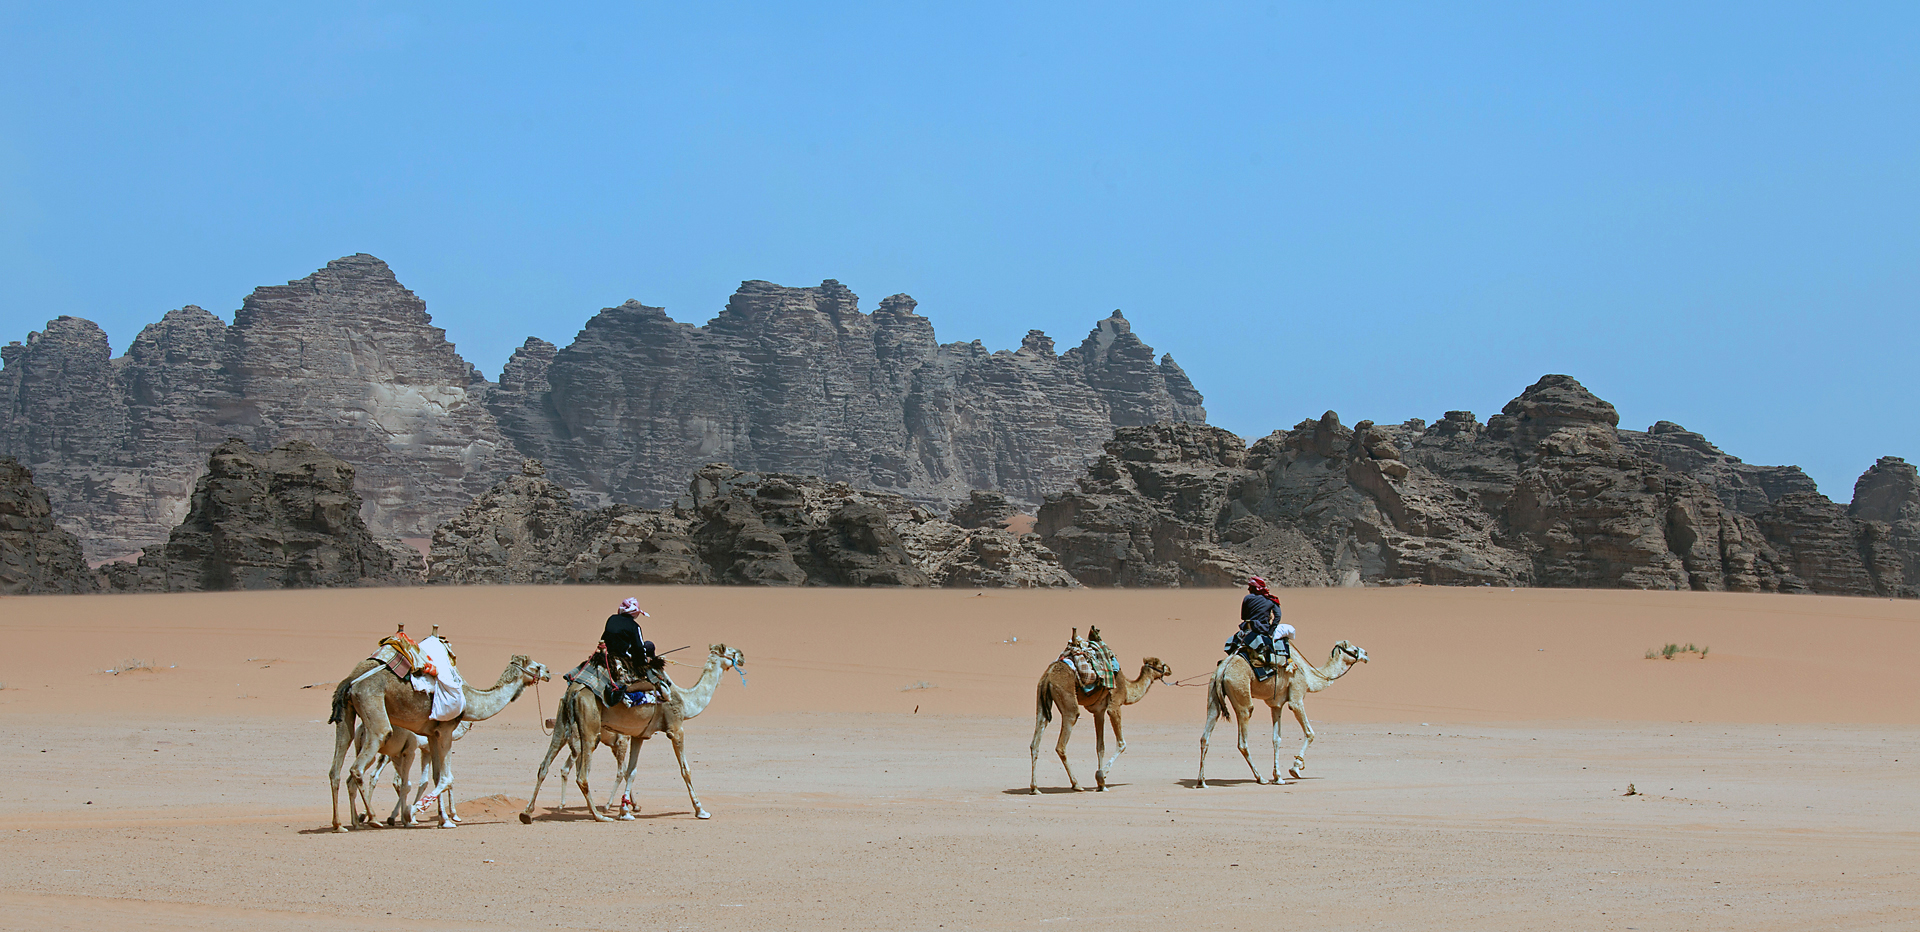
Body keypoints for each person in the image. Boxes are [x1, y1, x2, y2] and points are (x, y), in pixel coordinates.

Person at [601, 597, 667, 702]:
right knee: (649, 646)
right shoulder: (634, 626)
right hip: (624, 658)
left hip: (609, 655)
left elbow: (604, 638)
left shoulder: (611, 619)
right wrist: (646, 662)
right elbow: (639, 648)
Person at [1234, 576, 1293, 667]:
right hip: (1263, 629)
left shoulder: (1247, 598)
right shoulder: (1271, 600)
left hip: (1247, 628)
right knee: (1285, 635)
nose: (1248, 589)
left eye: (1250, 587)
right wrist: (1271, 630)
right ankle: (1288, 660)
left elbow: (1243, 617)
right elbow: (1278, 616)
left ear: (1254, 588)